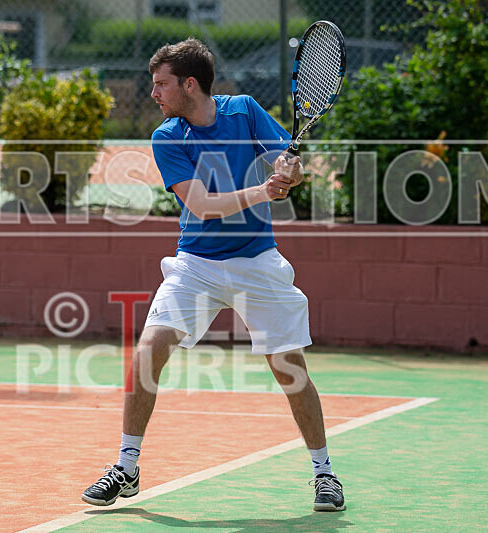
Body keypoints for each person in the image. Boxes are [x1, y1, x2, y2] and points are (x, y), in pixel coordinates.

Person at [82, 38, 345, 512]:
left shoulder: (244, 111)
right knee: (150, 347)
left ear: (189, 84)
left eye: (161, 84)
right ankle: (126, 465)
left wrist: (291, 171)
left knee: (288, 367)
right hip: (196, 264)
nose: (154, 93)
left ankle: (324, 474)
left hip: (257, 260)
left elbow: (290, 168)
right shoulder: (167, 137)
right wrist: (265, 191)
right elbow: (201, 207)